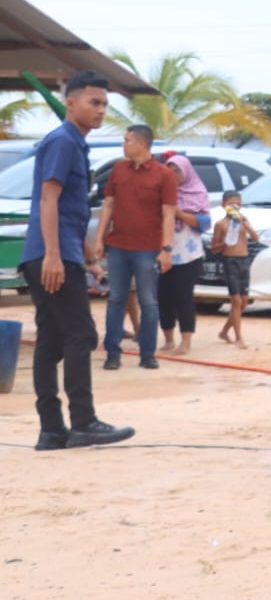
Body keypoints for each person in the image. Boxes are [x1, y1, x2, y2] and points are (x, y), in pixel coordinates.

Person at [20, 70, 136, 451]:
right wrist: (54, 254)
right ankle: (84, 422)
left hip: (60, 250)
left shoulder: (76, 144)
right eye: (94, 102)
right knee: (81, 334)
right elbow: (47, 199)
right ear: (71, 104)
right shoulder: (63, 141)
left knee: (51, 339)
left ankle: (52, 430)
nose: (101, 110)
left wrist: (88, 255)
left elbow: (70, 208)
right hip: (50, 254)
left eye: (104, 104)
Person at [92, 124, 175, 370]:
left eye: (127, 140)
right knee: (116, 298)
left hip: (148, 248)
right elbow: (108, 205)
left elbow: (168, 214)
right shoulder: (119, 169)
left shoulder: (164, 175)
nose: (124, 144)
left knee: (148, 301)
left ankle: (147, 353)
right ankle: (112, 352)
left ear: (141, 143)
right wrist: (99, 238)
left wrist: (166, 249)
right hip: (118, 245)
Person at [157, 153, 212, 356]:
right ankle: (168, 339)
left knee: (183, 298)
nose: (173, 174)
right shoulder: (161, 191)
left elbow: (205, 223)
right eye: (169, 169)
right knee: (163, 297)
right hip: (163, 251)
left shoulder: (197, 192)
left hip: (189, 254)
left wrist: (178, 213)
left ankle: (186, 341)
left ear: (186, 171)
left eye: (177, 170)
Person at [211, 190, 259, 347]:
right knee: (236, 300)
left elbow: (255, 238)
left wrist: (246, 225)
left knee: (243, 302)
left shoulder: (243, 220)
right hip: (230, 260)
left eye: (237, 204)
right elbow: (214, 248)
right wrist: (224, 243)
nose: (234, 207)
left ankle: (224, 331)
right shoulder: (221, 224)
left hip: (244, 260)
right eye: (231, 204)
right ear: (223, 205)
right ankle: (239, 337)